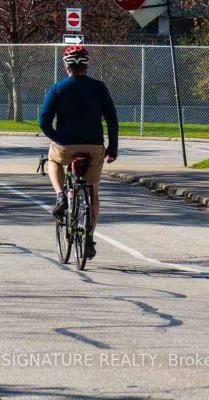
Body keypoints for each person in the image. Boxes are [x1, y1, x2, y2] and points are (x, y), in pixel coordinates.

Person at [38, 43, 118, 259]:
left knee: (53, 161)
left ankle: (60, 195)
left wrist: (57, 139)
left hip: (66, 144)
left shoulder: (57, 88)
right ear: (86, 66)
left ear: (66, 67)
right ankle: (89, 238)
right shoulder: (99, 87)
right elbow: (111, 118)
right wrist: (113, 147)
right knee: (93, 191)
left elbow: (43, 120)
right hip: (93, 146)